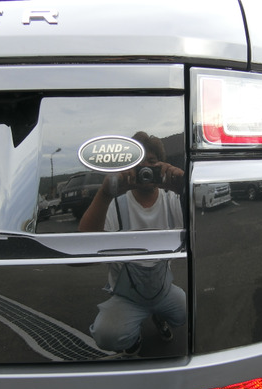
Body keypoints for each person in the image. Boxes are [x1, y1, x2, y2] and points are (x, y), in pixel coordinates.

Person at [79, 132, 186, 354]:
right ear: (128, 168)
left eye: (152, 162)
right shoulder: (114, 204)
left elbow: (200, 232)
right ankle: (131, 338)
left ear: (162, 166)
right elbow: (80, 258)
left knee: (185, 312)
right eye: (138, 163)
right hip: (127, 298)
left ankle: (159, 316)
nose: (145, 169)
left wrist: (184, 188)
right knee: (107, 334)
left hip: (163, 291)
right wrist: (105, 194)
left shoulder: (172, 199)